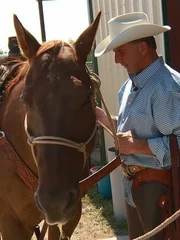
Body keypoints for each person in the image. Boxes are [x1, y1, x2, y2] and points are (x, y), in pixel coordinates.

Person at [94, 12, 180, 240]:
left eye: (121, 51)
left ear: (143, 47)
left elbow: (178, 143)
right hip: (135, 185)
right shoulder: (128, 87)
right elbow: (130, 133)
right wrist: (101, 118)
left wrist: (139, 146)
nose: (116, 60)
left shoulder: (166, 87)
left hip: (159, 187)